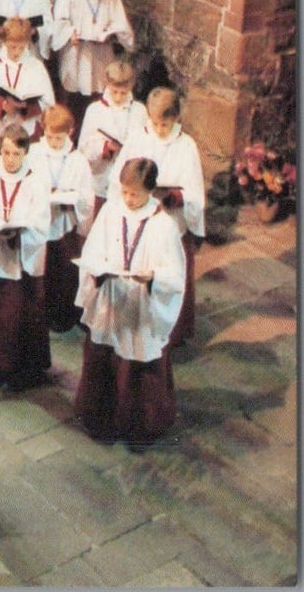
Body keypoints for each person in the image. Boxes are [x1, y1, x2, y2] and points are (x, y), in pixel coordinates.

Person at [74, 157, 186, 446]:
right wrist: (98, 268)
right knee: (105, 350)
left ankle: (139, 424)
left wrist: (153, 277)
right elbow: (93, 249)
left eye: (135, 194)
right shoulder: (111, 211)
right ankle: (100, 418)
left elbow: (174, 273)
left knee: (135, 356)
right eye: (124, 191)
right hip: (111, 295)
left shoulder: (163, 225)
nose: (128, 198)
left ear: (150, 191)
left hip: (140, 301)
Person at [109, 86, 204, 347]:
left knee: (169, 272)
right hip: (141, 217)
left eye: (166, 123)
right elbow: (119, 177)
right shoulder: (139, 138)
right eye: (156, 123)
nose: (160, 129)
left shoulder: (186, 145)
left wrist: (175, 197)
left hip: (171, 219)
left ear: (176, 119)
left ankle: (172, 330)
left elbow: (194, 190)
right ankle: (139, 325)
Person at [0, 124, 51, 389]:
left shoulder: (36, 182)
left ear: (25, 152)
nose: (9, 159)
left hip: (19, 260)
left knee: (16, 316)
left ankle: (17, 371)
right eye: (5, 152)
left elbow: (40, 223)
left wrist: (18, 235)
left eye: (15, 153)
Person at [30, 104, 95, 332]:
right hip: (41, 222)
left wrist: (72, 201)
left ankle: (64, 315)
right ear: (42, 131)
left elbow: (87, 196)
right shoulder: (34, 154)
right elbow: (28, 185)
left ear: (70, 133)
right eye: (49, 137)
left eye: (59, 138)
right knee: (42, 269)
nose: (54, 142)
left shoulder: (77, 159)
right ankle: (42, 314)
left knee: (64, 270)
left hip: (65, 222)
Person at [51, 0, 135, 123]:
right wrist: (69, 33)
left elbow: (121, 23)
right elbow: (59, 21)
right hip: (76, 53)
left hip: (100, 54)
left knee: (97, 98)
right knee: (71, 99)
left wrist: (112, 33)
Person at [0, 14, 55, 167]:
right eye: (12, 47)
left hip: (26, 133)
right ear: (4, 42)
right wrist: (1, 106)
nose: (17, 52)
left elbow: (48, 102)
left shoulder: (36, 67)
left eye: (22, 47)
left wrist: (27, 108)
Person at [78, 60, 145, 212]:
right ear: (107, 84)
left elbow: (145, 143)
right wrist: (105, 148)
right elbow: (83, 148)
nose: (118, 97)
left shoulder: (139, 111)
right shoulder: (95, 110)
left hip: (128, 180)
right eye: (114, 91)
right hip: (100, 177)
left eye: (123, 92)